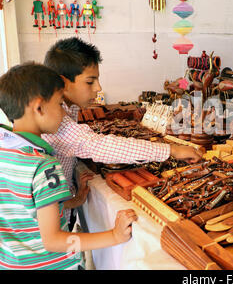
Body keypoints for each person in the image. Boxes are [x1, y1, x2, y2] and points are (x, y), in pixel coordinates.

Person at [41, 37, 202, 231]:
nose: (98, 88)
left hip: (63, 207)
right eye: (90, 81)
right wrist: (172, 150)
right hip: (52, 228)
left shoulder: (69, 109)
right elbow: (99, 146)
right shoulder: (56, 122)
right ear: (63, 83)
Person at [0, 63, 137, 269]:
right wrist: (114, 235)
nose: (63, 113)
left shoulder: (6, 152)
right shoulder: (44, 166)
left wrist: (73, 201)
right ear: (39, 108)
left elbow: (25, 209)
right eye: (59, 104)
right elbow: (54, 240)